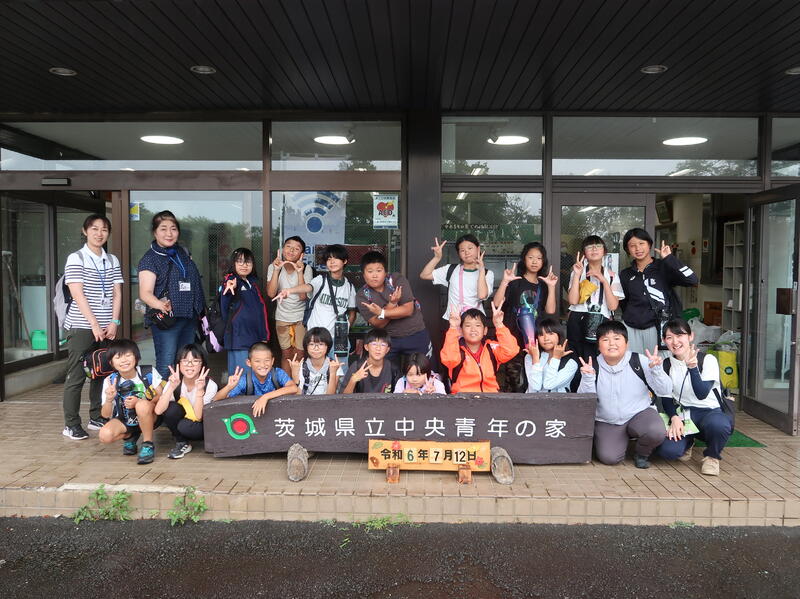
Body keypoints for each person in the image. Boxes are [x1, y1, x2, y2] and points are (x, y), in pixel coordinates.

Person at [61, 214, 124, 440]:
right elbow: (77, 294)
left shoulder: (112, 260)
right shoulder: (76, 258)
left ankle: (96, 416)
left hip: (106, 327)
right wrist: (94, 324)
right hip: (81, 326)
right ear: (85, 231)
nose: (99, 233)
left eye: (104, 229)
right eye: (94, 229)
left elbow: (117, 293)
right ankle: (71, 424)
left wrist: (114, 322)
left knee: (100, 371)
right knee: (77, 376)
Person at [577, 321, 672, 469]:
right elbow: (584, 403)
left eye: (617, 338)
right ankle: (616, 440)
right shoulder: (592, 366)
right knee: (609, 457)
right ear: (598, 345)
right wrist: (588, 378)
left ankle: (642, 453)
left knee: (656, 431)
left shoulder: (639, 361)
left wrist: (657, 370)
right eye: (605, 339)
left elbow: (665, 390)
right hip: (607, 420)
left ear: (626, 343)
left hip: (639, 414)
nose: (612, 344)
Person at [656, 319, 732, 476]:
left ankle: (712, 457)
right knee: (668, 451)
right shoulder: (666, 364)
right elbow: (666, 398)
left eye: (680, 335)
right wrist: (674, 418)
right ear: (664, 340)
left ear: (690, 336)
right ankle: (688, 440)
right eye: (669, 337)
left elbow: (701, 393)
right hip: (684, 414)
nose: (675, 341)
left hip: (710, 412)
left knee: (719, 425)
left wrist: (693, 368)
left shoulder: (707, 360)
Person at [137, 210, 205, 378]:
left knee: (187, 362)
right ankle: (163, 395)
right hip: (167, 320)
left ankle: (182, 394)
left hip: (188, 317)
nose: (169, 233)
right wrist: (161, 305)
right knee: (166, 364)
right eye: (163, 229)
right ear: (155, 232)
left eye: (173, 229)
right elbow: (145, 293)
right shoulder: (150, 258)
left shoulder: (183, 253)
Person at [619, 228, 698, 354]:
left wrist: (669, 258)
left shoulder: (664, 267)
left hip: (658, 328)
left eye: (641, 243)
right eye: (632, 246)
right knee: (634, 363)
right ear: (627, 249)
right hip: (631, 328)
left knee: (660, 363)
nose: (637, 248)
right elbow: (624, 302)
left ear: (649, 245)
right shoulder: (625, 274)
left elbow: (692, 280)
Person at [493, 241, 558, 391]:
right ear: (524, 259)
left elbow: (550, 310)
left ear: (543, 261)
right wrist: (505, 281)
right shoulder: (515, 282)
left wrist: (551, 287)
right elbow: (497, 303)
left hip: (536, 341)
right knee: (514, 381)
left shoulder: (543, 284)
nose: (535, 261)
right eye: (530, 257)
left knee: (533, 380)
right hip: (513, 339)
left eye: (539, 258)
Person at [274, 244, 356, 360]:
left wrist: (345, 330)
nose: (332, 262)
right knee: (316, 370)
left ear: (345, 261)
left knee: (339, 370)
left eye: (336, 258)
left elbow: (352, 313)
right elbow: (307, 287)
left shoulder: (349, 287)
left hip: (338, 340)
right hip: (316, 339)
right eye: (329, 259)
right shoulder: (320, 280)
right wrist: (289, 291)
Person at [357, 251, 433, 366]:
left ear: (385, 272)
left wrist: (382, 312)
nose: (375, 275)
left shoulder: (396, 280)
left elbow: (408, 310)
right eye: (370, 271)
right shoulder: (362, 295)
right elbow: (378, 324)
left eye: (379, 270)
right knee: (384, 373)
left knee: (425, 370)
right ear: (363, 274)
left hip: (415, 333)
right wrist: (392, 304)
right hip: (387, 340)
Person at [97, 339, 163, 465]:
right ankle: (130, 435)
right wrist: (109, 399)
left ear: (136, 357)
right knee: (105, 436)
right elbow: (105, 415)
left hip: (151, 416)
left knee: (142, 405)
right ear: (111, 362)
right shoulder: (110, 381)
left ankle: (147, 444)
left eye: (128, 355)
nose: (124, 360)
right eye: (118, 357)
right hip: (125, 418)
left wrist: (140, 400)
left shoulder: (148, 372)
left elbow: (160, 396)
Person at [566, 235, 624, 369]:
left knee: (597, 359)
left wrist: (604, 281)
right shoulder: (577, 272)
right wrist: (577, 275)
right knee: (576, 359)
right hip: (578, 318)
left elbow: (613, 306)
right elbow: (573, 300)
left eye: (598, 246)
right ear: (584, 253)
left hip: (600, 319)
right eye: (589, 247)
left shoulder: (611, 275)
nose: (594, 249)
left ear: (604, 251)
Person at [154, 343, 217, 460]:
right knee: (171, 408)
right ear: (178, 364)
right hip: (184, 420)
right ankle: (182, 442)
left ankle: (197, 439)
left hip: (201, 426)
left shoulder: (210, 385)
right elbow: (158, 411)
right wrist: (171, 387)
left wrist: (200, 391)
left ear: (202, 364)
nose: (190, 365)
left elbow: (198, 417)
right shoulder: (175, 382)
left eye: (195, 361)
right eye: (185, 361)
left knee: (185, 426)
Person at [440, 303, 519, 394]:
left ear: (485, 330)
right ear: (461, 331)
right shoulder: (455, 349)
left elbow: (511, 350)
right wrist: (453, 327)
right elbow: (449, 360)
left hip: (490, 397)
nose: (473, 329)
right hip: (463, 399)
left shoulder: (491, 348)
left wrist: (499, 325)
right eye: (468, 325)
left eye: (477, 325)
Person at [420, 234, 495, 326]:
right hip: (453, 320)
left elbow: (482, 295)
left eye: (470, 248)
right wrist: (437, 258)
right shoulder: (451, 269)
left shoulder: (487, 273)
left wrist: (481, 270)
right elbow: (424, 275)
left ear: (478, 249)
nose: (466, 252)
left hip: (476, 321)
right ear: (459, 254)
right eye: (462, 250)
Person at [266, 236, 313, 373]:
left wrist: (299, 272)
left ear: (302, 254)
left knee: (300, 354)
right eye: (288, 246)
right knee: (286, 354)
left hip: (300, 318)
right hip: (282, 317)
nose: (291, 250)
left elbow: (303, 297)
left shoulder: (306, 269)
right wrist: (276, 270)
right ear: (282, 249)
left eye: (296, 249)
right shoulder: (273, 267)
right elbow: (271, 293)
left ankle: (297, 384)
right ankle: (287, 383)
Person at [219, 247, 270, 376]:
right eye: (240, 261)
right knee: (241, 377)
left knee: (248, 377)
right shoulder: (232, 279)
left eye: (248, 262)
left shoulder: (253, 283)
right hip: (239, 337)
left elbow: (261, 312)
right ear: (233, 263)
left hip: (253, 337)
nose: (244, 265)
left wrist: (264, 336)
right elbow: (228, 286)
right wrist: (229, 285)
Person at [213, 342, 298, 417]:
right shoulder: (245, 380)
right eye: (257, 361)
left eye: (267, 360)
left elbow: (293, 388)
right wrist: (229, 387)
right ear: (249, 363)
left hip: (278, 417)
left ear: (272, 361)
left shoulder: (278, 373)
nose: (263, 365)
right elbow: (216, 399)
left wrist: (265, 397)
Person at [523, 317, 578, 394]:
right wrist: (535, 359)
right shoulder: (530, 357)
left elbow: (549, 384)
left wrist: (556, 359)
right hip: (532, 400)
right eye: (541, 335)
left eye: (550, 334)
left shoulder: (570, 362)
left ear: (559, 335)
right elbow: (535, 386)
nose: (546, 338)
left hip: (559, 401)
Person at [339, 328, 401, 394]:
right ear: (366, 347)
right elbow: (343, 397)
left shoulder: (393, 369)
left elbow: (399, 395)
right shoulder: (357, 366)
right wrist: (353, 380)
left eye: (383, 345)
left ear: (387, 349)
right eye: (374, 344)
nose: (378, 348)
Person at [288, 327, 343, 395]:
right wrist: (295, 374)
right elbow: (297, 396)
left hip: (326, 401)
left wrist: (332, 373)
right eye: (312, 344)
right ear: (306, 347)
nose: (316, 348)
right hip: (305, 401)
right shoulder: (300, 366)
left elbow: (330, 396)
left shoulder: (334, 366)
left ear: (327, 346)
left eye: (321, 344)